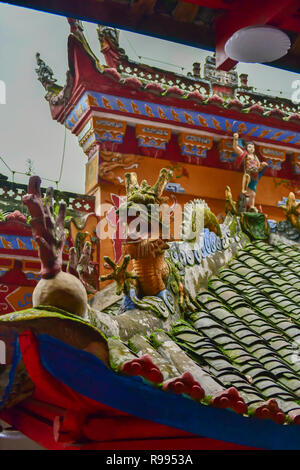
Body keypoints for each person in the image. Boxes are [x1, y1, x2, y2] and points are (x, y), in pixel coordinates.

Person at [232, 133, 268, 211]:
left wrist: (262, 166)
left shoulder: (255, 157)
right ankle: (246, 204)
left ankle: (251, 206)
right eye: (249, 147)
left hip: (255, 175)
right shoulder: (245, 155)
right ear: (246, 148)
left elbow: (258, 166)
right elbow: (235, 147)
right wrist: (235, 139)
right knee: (247, 191)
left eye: (253, 147)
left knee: (253, 193)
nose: (251, 148)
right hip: (248, 174)